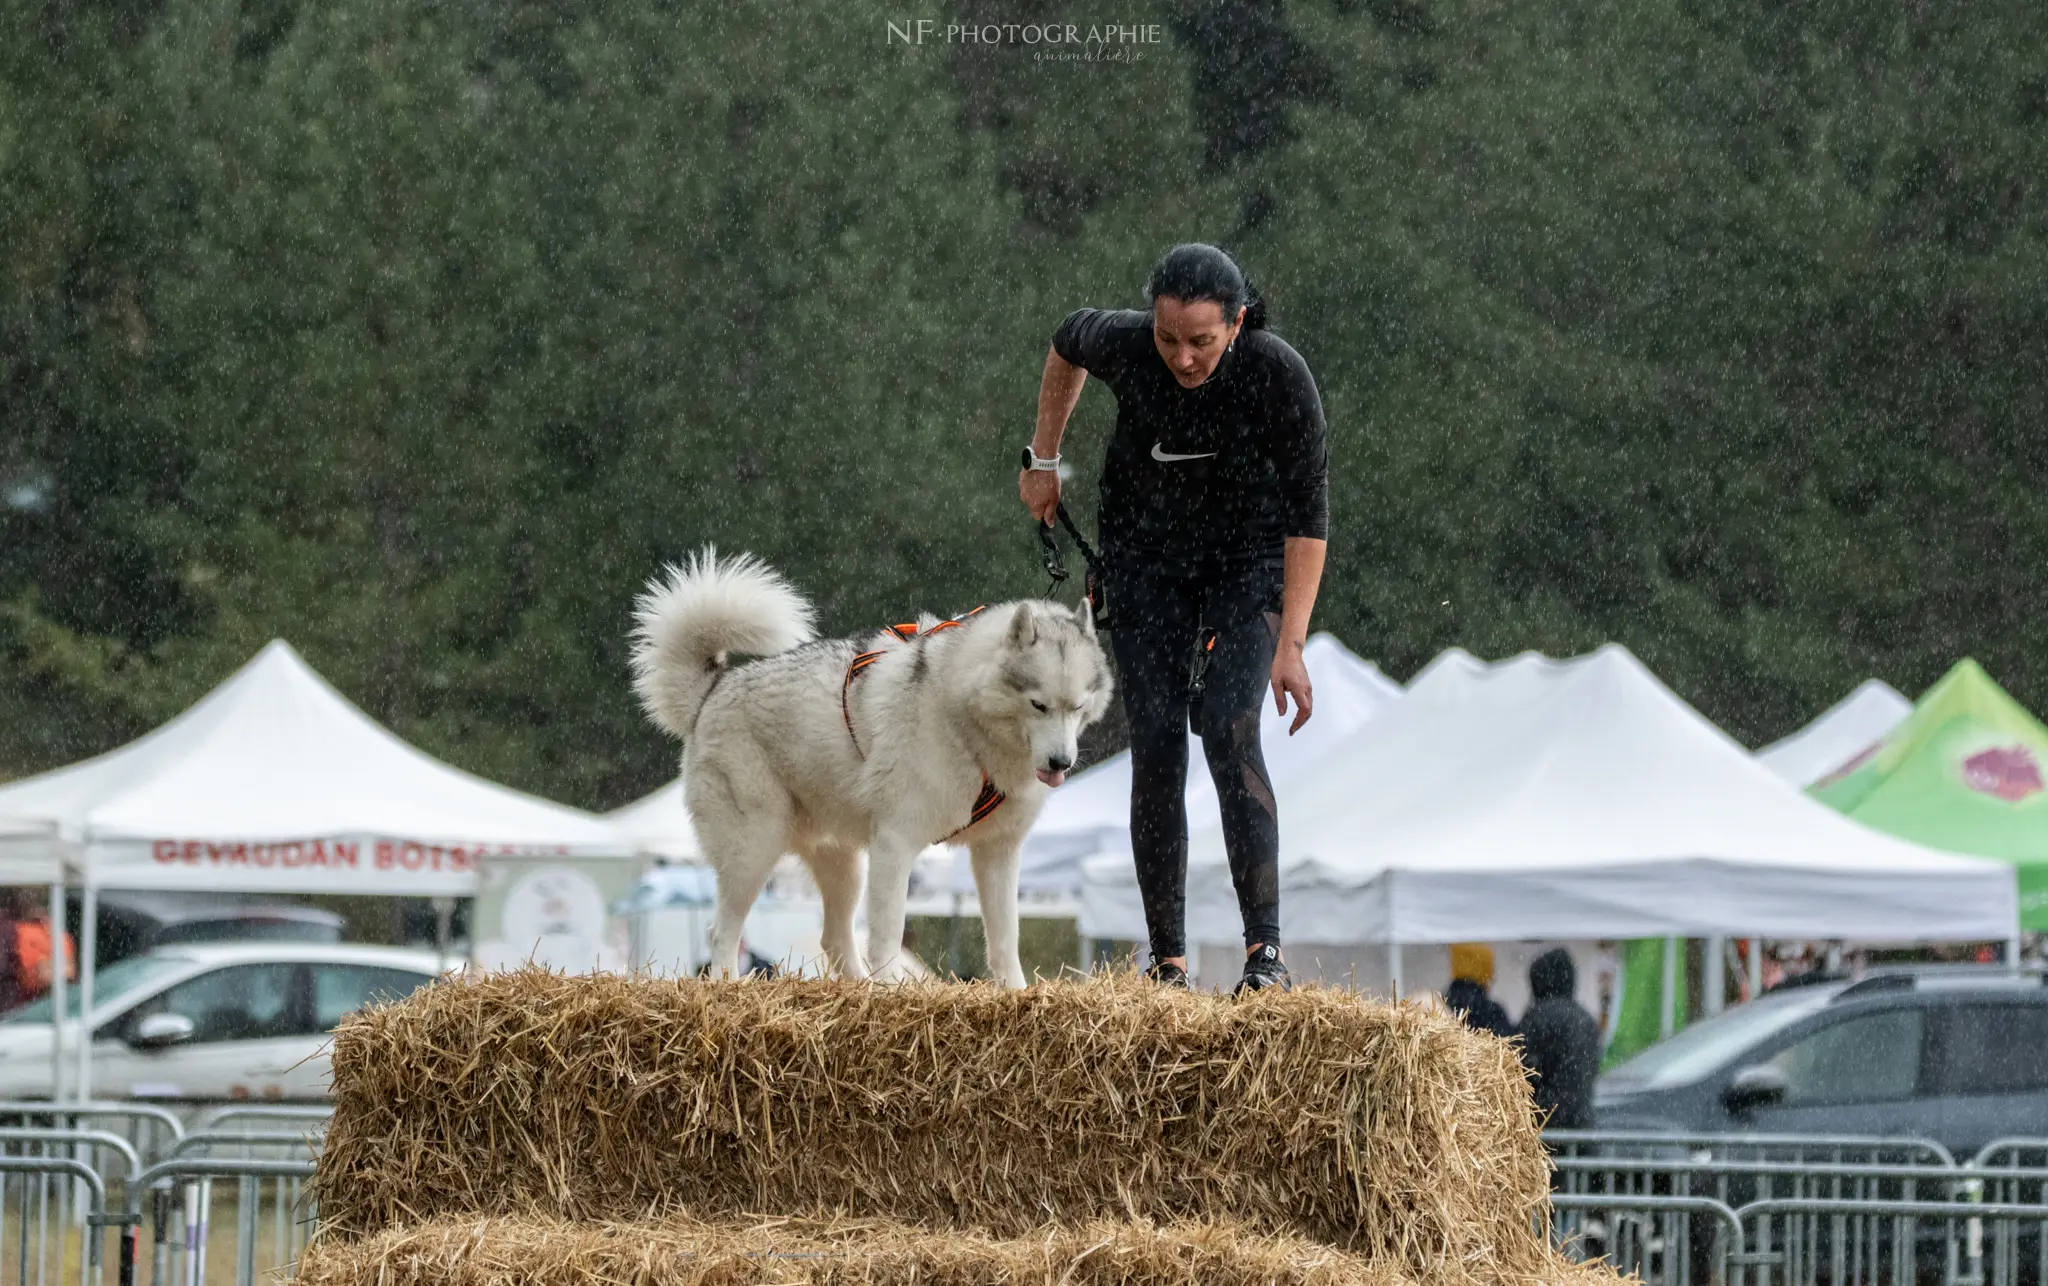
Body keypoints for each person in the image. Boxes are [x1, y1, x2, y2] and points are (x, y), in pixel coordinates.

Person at [1020, 243, 1328, 995]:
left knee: (1228, 726)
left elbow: (1308, 520)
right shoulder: (1124, 344)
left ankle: (1266, 957)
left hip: (1245, 565)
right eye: (1168, 340)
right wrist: (1043, 459)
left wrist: (1291, 643)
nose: (1183, 359)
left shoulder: (1276, 373)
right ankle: (1168, 964)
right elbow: (1066, 341)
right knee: (1156, 742)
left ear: (1238, 323)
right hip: (1144, 560)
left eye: (1201, 342)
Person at [1518, 948, 1600, 1131]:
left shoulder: (1538, 1017)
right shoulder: (1585, 1019)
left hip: (1543, 1124)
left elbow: (1521, 1069)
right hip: (1583, 1122)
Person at [1444, 943, 1515, 1040]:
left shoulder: (1440, 1005)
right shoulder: (1492, 1012)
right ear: (1484, 971)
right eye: (1491, 969)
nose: (1494, 977)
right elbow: (1509, 1047)